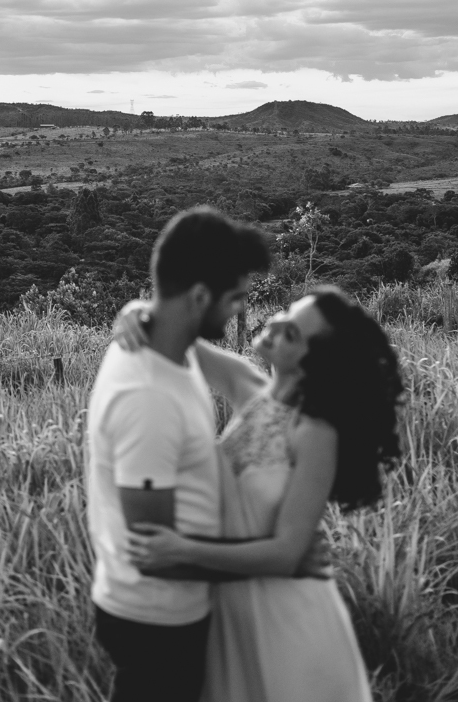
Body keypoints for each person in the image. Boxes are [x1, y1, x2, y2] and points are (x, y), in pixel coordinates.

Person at [122, 286, 404, 702]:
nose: (274, 322)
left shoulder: (313, 433)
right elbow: (174, 334)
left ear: (314, 362)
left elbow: (287, 554)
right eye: (286, 313)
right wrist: (136, 310)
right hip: (229, 607)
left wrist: (181, 550)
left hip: (287, 617)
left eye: (291, 332)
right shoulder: (248, 387)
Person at [85, 206, 272, 702]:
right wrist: (271, 563)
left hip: (176, 608)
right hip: (154, 619)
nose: (239, 311)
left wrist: (137, 308)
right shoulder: (147, 396)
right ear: (199, 297)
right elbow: (154, 554)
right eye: (235, 299)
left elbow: (248, 381)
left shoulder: (177, 345)